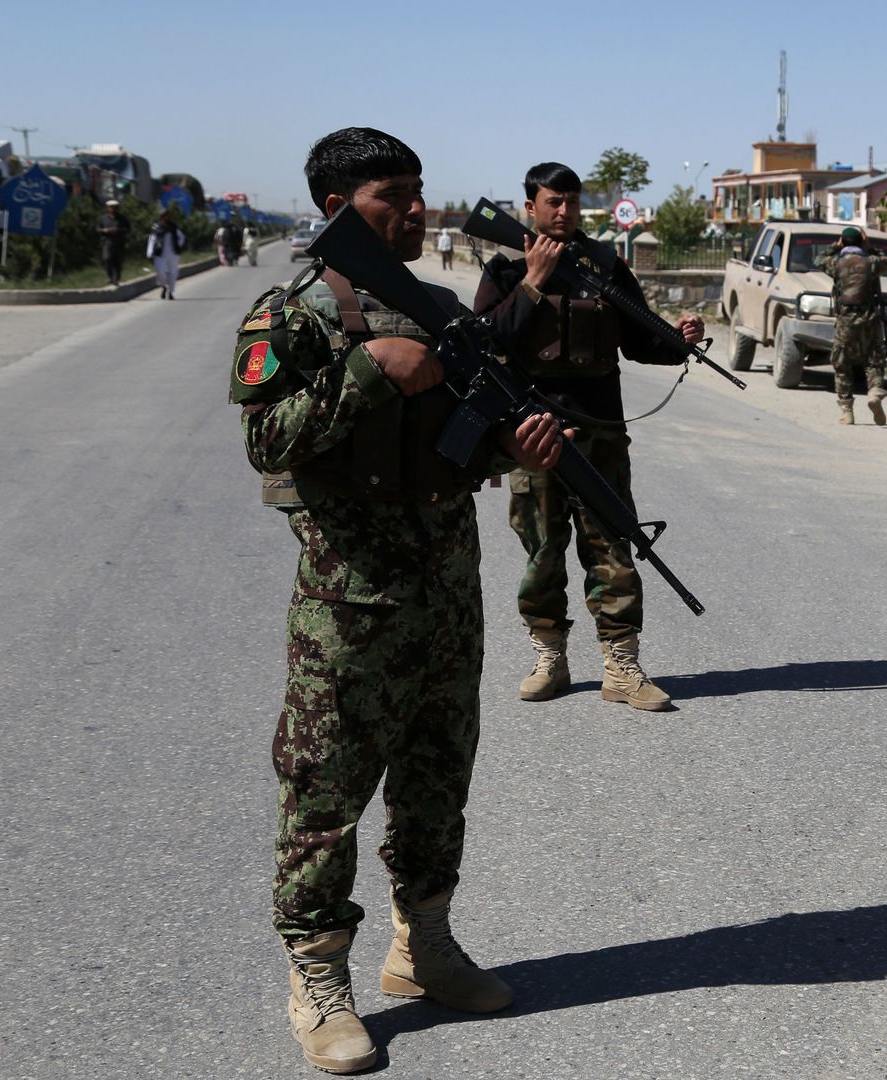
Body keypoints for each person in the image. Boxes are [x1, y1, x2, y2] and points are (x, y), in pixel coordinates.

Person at [230, 127, 565, 1074]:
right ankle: (317, 975)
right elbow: (265, 442)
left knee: (438, 776)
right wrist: (367, 370)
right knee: (326, 792)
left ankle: (424, 946)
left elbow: (464, 440)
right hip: (349, 602)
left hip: (448, 595)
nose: (417, 210)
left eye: (420, 191)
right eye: (394, 197)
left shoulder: (440, 309)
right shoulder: (292, 312)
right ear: (339, 208)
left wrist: (516, 448)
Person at [472, 161, 704, 711]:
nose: (564, 211)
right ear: (530, 207)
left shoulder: (603, 264)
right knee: (542, 551)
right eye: (553, 202)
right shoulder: (506, 270)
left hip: (601, 434)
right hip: (533, 434)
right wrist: (532, 281)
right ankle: (549, 656)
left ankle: (621, 667)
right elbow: (485, 343)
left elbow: (640, 339)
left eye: (572, 202)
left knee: (612, 545)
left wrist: (679, 340)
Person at [816, 225, 887, 425]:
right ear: (861, 242)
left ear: (843, 242)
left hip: (846, 320)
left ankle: (847, 411)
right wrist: (869, 247)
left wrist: (835, 246)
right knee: (874, 359)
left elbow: (818, 259)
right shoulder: (872, 262)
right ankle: (874, 391)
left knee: (842, 363)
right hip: (869, 319)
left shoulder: (836, 263)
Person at [145, 211, 184, 299]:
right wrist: (149, 253)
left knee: (173, 273)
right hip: (160, 254)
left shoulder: (173, 227)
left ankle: (170, 292)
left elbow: (181, 237)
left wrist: (177, 245)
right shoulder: (156, 227)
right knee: (161, 272)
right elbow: (152, 240)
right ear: (161, 217)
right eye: (164, 216)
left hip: (173, 254)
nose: (166, 217)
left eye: (167, 216)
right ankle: (164, 286)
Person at [97, 199, 130, 286]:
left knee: (117, 261)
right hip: (106, 242)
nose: (112, 209)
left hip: (119, 243)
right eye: (111, 207)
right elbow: (97, 229)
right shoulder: (103, 218)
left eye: (114, 207)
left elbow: (128, 229)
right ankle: (110, 277)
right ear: (108, 208)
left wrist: (117, 230)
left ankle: (116, 278)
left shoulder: (122, 219)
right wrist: (104, 230)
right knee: (107, 258)